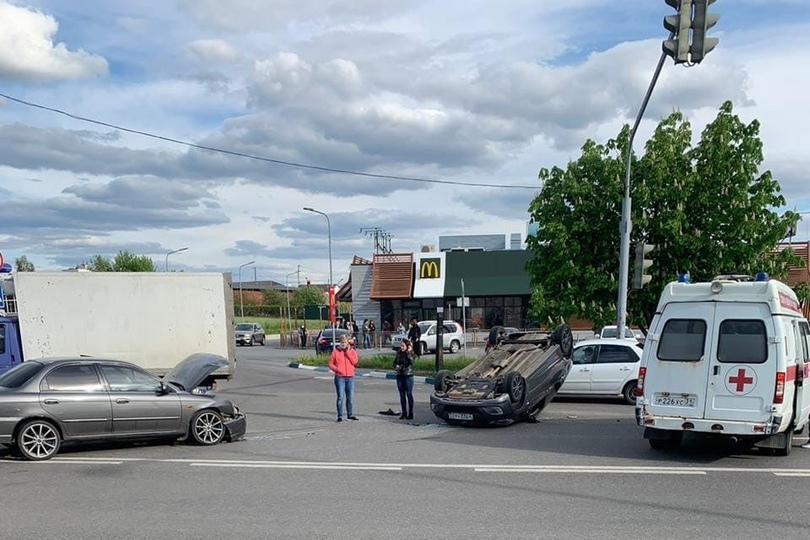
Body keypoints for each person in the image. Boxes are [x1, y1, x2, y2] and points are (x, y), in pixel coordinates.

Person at [327, 334, 359, 422]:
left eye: (345, 342)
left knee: (350, 397)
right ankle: (340, 415)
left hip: (350, 377)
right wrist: (337, 369)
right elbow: (330, 363)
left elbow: (355, 361)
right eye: (342, 342)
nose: (343, 344)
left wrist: (347, 352)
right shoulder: (335, 352)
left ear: (347, 342)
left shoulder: (352, 351)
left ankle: (350, 414)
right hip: (340, 377)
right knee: (340, 397)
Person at [393, 338, 415, 420]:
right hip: (400, 376)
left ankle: (411, 413)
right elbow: (394, 363)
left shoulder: (410, 353)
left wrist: (409, 352)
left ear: (407, 346)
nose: (401, 347)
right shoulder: (398, 353)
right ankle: (404, 413)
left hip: (408, 376)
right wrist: (396, 367)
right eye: (401, 346)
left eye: (403, 346)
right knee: (402, 395)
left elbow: (411, 362)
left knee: (409, 394)